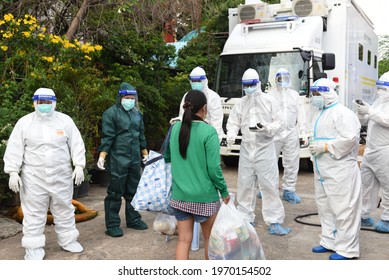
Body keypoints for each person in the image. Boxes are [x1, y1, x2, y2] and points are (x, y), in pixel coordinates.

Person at [3, 88, 85, 260]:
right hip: (34, 177)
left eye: (48, 103)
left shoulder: (65, 121)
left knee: (64, 209)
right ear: (34, 103)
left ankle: (68, 240)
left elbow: (76, 143)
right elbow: (15, 148)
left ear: (54, 102)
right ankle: (33, 247)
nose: (44, 106)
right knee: (34, 212)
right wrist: (12, 171)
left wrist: (79, 165)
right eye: (41, 103)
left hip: (61, 175)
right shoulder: (25, 123)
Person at [164, 89, 230, 260]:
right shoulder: (209, 132)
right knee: (210, 239)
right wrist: (224, 191)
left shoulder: (175, 128)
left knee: (183, 241)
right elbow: (213, 168)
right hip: (204, 197)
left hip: (180, 196)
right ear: (205, 108)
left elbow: (167, 157)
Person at [226, 68, 290, 235]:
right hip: (247, 149)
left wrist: (267, 128)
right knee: (245, 186)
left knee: (269, 186)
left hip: (265, 149)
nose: (248, 88)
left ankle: (274, 221)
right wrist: (231, 134)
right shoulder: (240, 103)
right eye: (246, 85)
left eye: (251, 85)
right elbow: (233, 122)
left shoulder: (269, 101)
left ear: (258, 84)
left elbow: (280, 122)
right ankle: (245, 219)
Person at [308, 78, 362, 260]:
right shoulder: (319, 113)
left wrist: (325, 147)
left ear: (329, 92)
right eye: (313, 93)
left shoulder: (342, 113)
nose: (315, 97)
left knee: (344, 209)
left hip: (340, 171)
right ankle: (329, 241)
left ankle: (347, 249)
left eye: (318, 93)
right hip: (323, 171)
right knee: (325, 208)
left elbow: (350, 139)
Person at [96, 82, 149, 237]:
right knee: (115, 192)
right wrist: (102, 156)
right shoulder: (111, 114)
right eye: (127, 97)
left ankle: (133, 219)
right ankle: (112, 224)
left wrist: (144, 153)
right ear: (120, 97)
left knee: (133, 190)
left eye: (132, 97)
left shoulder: (137, 114)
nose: (130, 100)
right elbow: (108, 136)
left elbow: (141, 135)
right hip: (118, 158)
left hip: (134, 158)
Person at [258, 68, 306, 204]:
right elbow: (265, 114)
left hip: (291, 132)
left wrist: (303, 130)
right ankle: (267, 188)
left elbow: (300, 113)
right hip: (274, 133)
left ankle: (289, 190)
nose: (283, 81)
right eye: (280, 79)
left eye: (285, 78)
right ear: (276, 80)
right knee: (269, 162)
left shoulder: (295, 95)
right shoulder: (270, 95)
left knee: (291, 162)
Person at [355, 71, 389, 233]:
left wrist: (371, 111)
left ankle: (387, 219)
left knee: (388, 186)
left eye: (384, 88)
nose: (381, 91)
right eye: (380, 88)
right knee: (364, 184)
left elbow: (386, 120)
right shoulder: (377, 103)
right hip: (371, 150)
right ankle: (363, 214)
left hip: (385, 151)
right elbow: (367, 121)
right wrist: (362, 113)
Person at [171, 66, 224, 142]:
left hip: (207, 136)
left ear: (205, 81)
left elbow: (216, 123)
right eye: (193, 81)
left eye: (199, 81)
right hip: (189, 137)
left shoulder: (213, 97)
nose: (196, 83)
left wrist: (213, 141)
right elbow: (182, 116)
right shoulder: (187, 95)